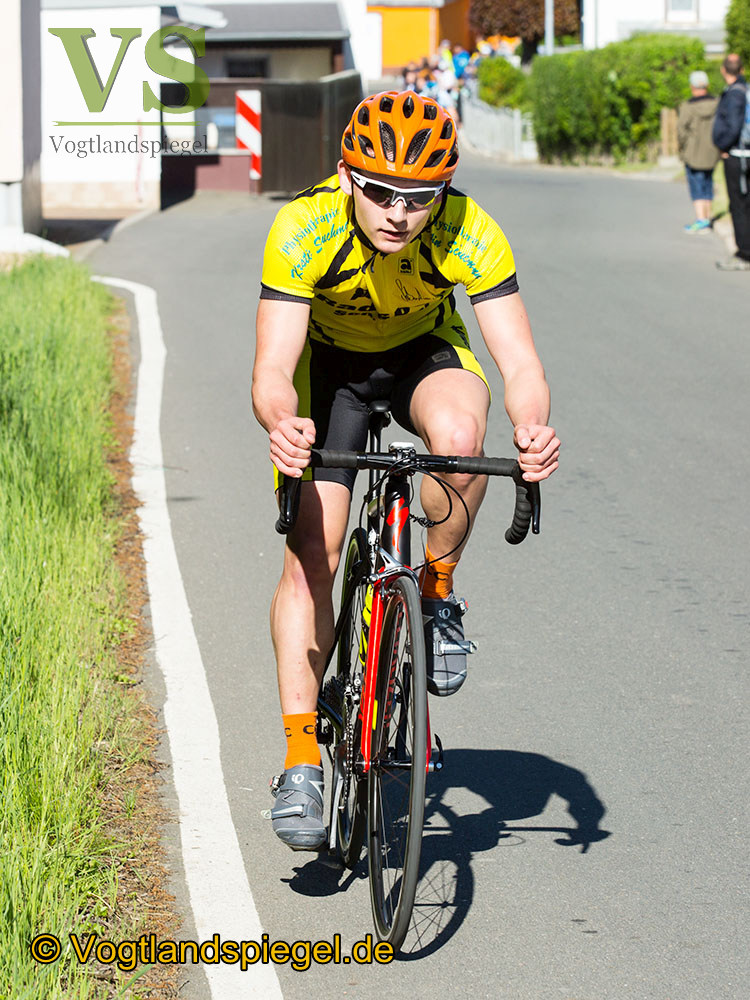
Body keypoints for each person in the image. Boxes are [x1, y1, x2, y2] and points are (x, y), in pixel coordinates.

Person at [252, 91, 559, 850]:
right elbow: (272, 366)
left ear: (443, 194)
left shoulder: (468, 228)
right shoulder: (303, 226)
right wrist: (280, 425)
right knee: (312, 560)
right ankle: (299, 760)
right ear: (345, 176)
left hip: (423, 353)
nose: (398, 212)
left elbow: (518, 361)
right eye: (380, 192)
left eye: (419, 199)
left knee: (460, 433)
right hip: (330, 372)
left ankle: (437, 595)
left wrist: (532, 427)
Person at [712, 54, 750, 270]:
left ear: (723, 70)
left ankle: (744, 254)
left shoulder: (734, 94)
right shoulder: (745, 90)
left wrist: (724, 146)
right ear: (742, 70)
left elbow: (734, 125)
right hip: (745, 153)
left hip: (738, 156)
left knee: (738, 204)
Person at [677, 70, 719, 233]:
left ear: (691, 86)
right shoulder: (717, 103)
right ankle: (707, 218)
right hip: (712, 151)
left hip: (693, 153)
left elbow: (681, 130)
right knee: (708, 184)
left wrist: (683, 149)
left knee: (697, 187)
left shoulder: (688, 107)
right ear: (706, 85)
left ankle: (701, 220)